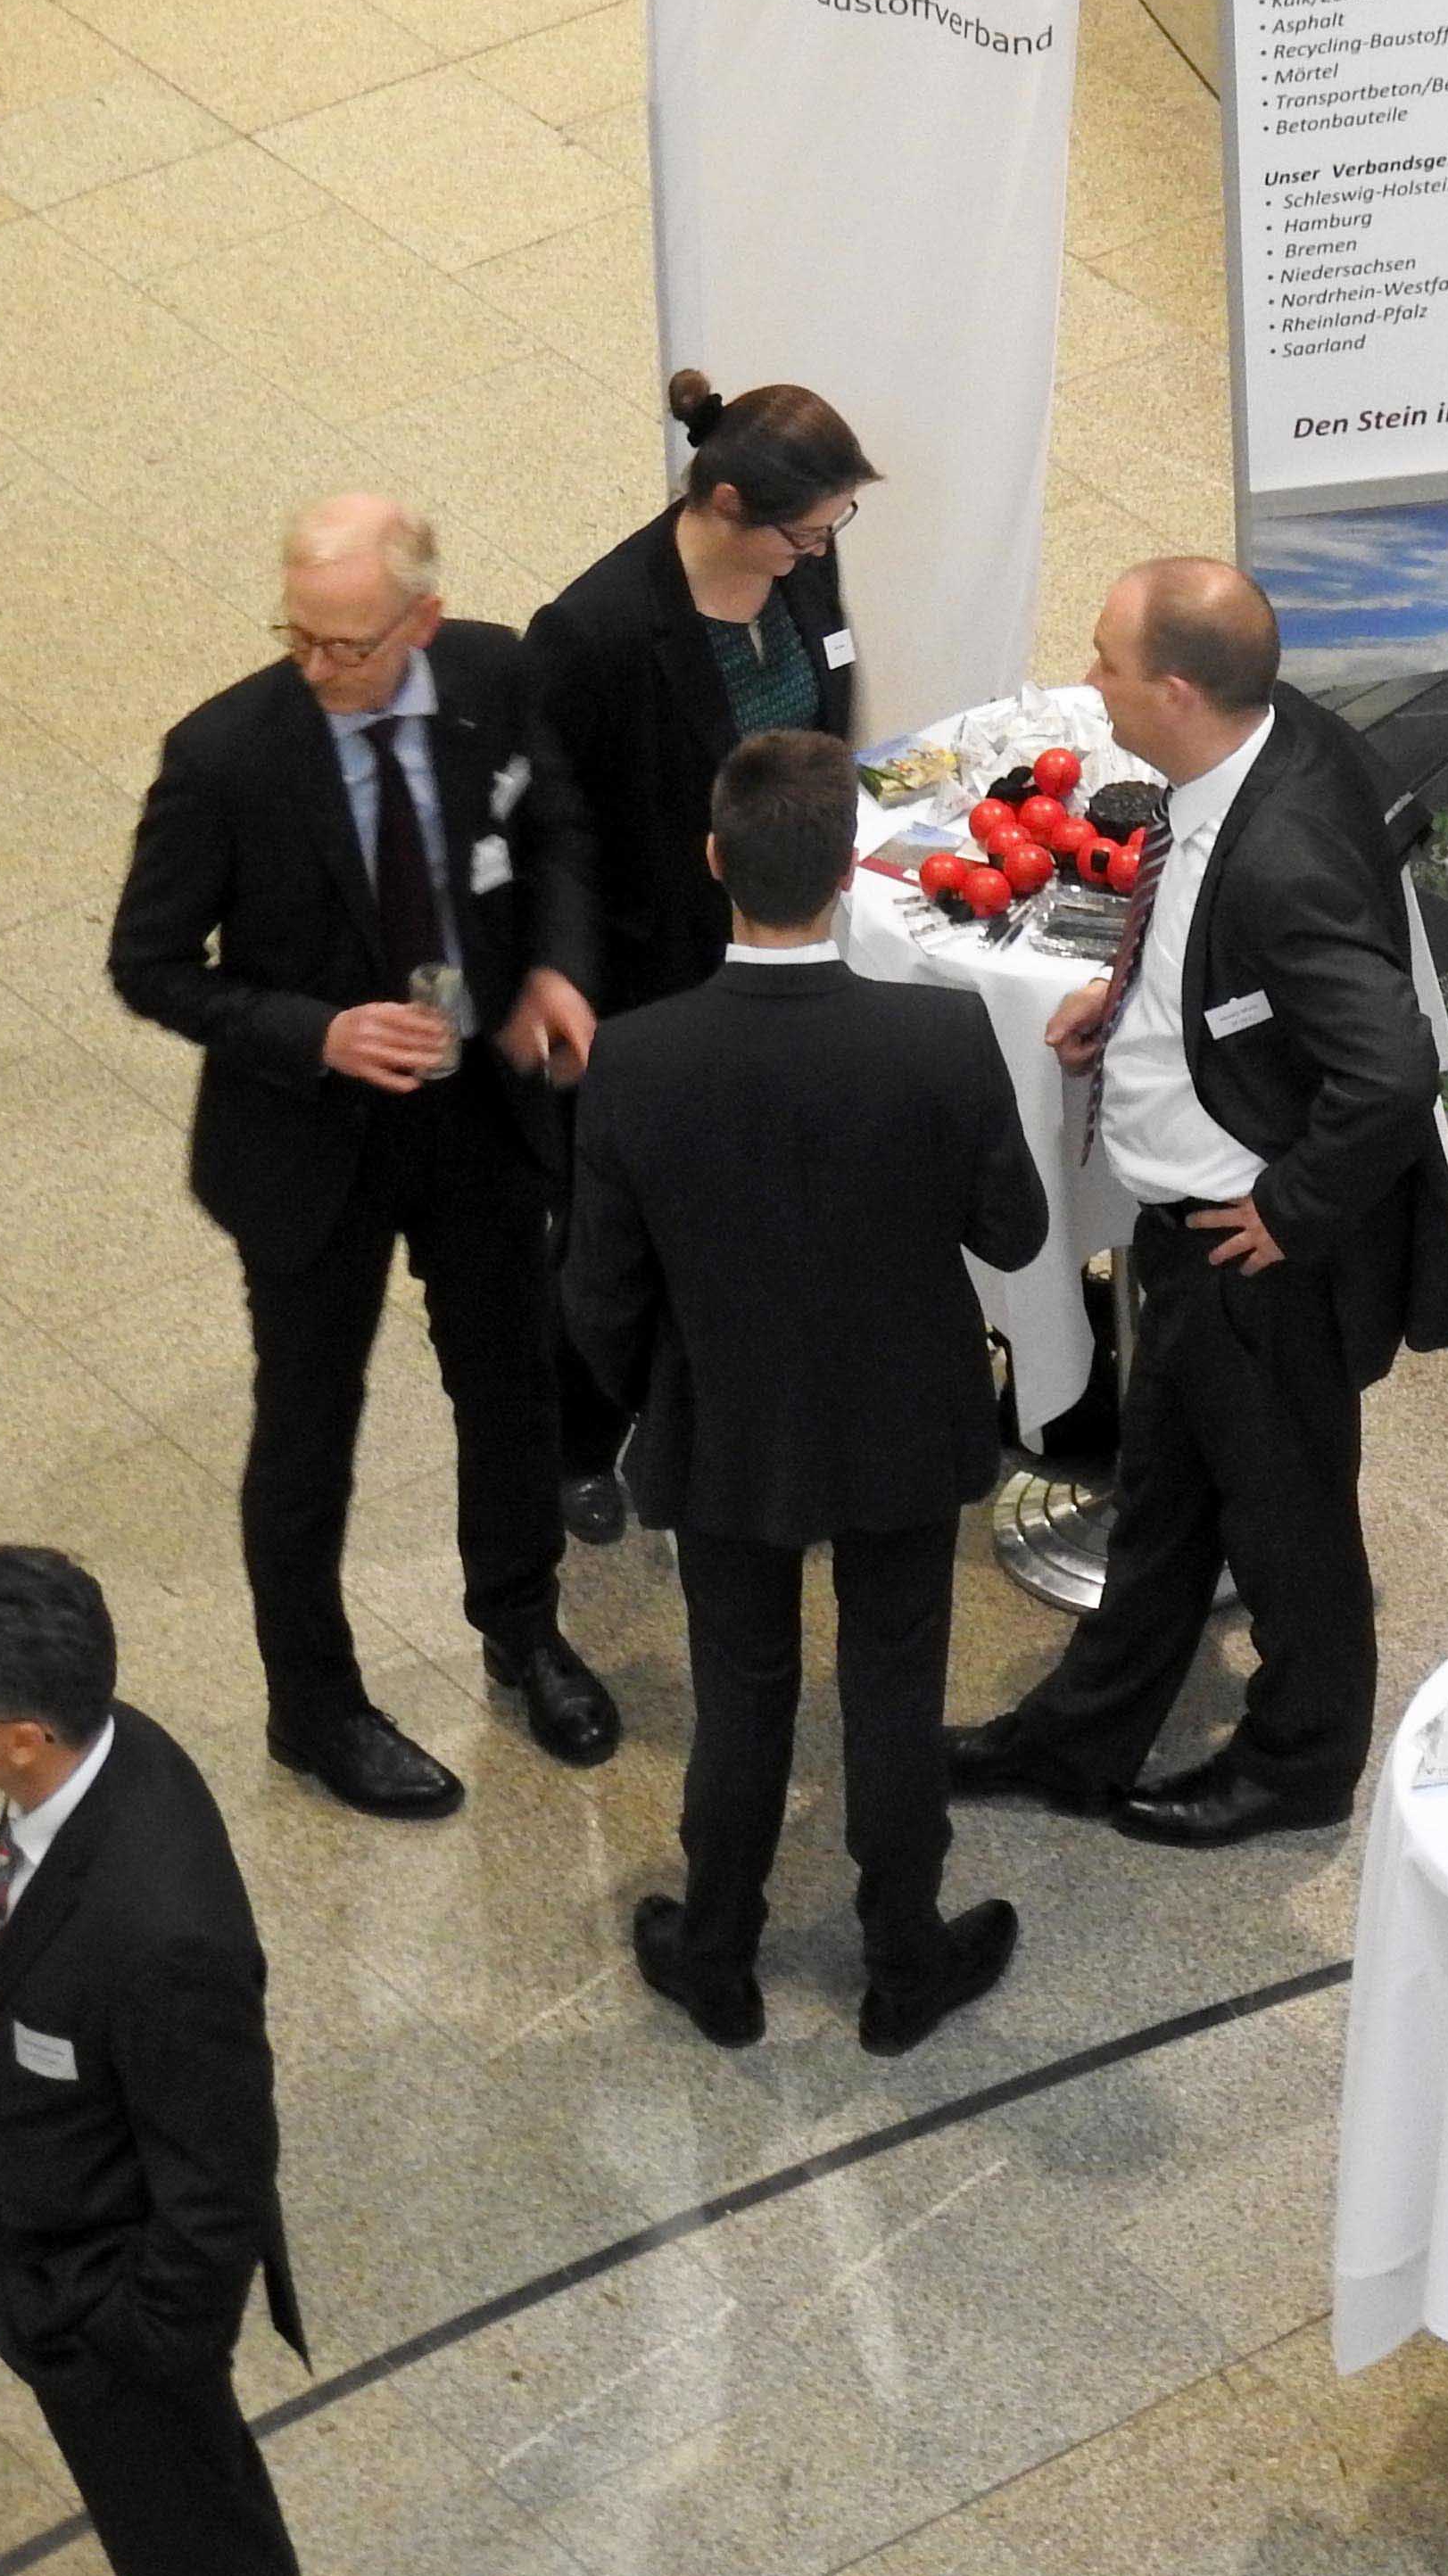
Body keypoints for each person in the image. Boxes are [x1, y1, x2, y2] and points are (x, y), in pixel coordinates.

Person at [947, 559, 1448, 1845]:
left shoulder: (1285, 859)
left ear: (1177, 691)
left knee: (1289, 1524)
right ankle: (1080, 1742)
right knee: (1168, 1498)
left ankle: (1298, 1767)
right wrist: (1129, 1000)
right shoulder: (1269, 739)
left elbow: (1392, 1067)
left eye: (1107, 663)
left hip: (1258, 1257)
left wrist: (1292, 1210)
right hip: (1189, 1241)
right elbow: (1201, 924)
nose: (1090, 683)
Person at [108, 497, 619, 1819]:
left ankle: (522, 1626)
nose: (324, 669)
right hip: (310, 1143)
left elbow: (558, 829)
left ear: (425, 621)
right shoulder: (225, 757)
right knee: (307, 1430)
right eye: (304, 639)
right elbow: (150, 966)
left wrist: (557, 969)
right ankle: (313, 1706)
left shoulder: (496, 678)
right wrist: (315, 1031)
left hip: (477, 1113)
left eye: (352, 646)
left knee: (509, 1386)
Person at [566, 731, 1046, 2055]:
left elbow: (598, 1298)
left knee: (744, 1695)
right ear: (848, 869)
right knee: (895, 1693)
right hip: (903, 1419)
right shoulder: (939, 1035)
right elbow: (1011, 1234)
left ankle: (718, 1956)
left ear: (716, 859)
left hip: (724, 1429)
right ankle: (903, 1963)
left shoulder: (636, 1058)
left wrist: (663, 1395)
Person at [0, 1548, 310, 2576]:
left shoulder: (167, 1939)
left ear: (21, 1736)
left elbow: (219, 2194)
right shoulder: (90, 1756)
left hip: (115, 2329)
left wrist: (113, 2347)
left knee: (202, 2560)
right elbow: (37, 1909)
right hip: (64, 2265)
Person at [525, 373, 876, 1541]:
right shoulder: (596, 632)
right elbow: (556, 827)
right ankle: (578, 1435)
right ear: (725, 502)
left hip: (782, 930)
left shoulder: (801, 562)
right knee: (619, 1227)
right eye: (806, 526)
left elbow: (828, 702)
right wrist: (565, 974)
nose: (822, 547)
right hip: (653, 964)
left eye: (832, 525)